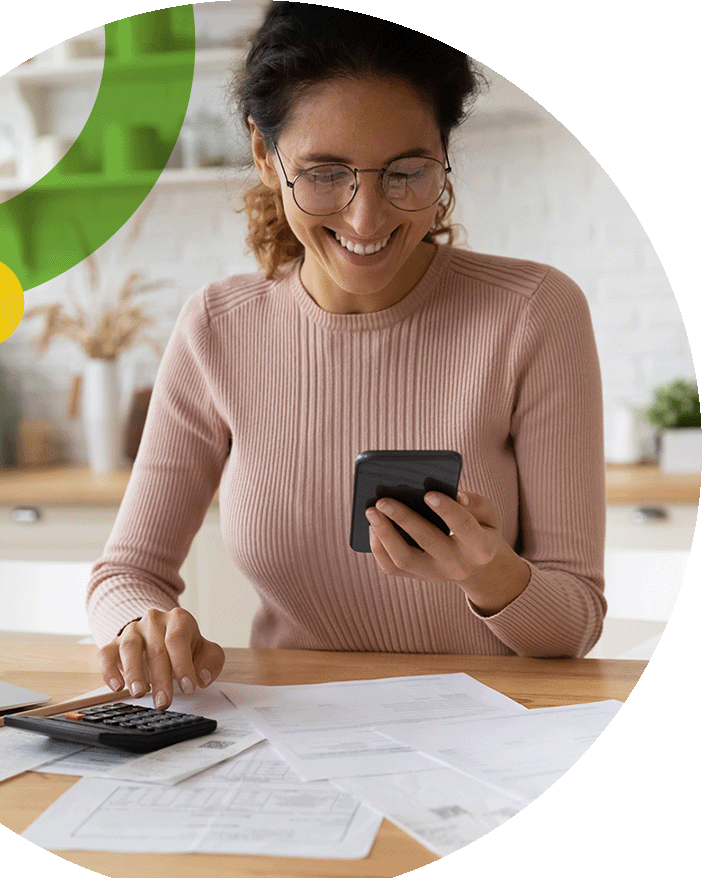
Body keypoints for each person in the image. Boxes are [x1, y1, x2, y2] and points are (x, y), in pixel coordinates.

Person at [87, 2, 606, 709]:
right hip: (294, 730)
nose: (367, 218)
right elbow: (126, 572)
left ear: (445, 153)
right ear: (265, 156)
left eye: (405, 171)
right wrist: (140, 626)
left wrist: (491, 573)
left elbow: (573, 623)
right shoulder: (217, 326)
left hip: (494, 728)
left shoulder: (533, 312)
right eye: (326, 172)